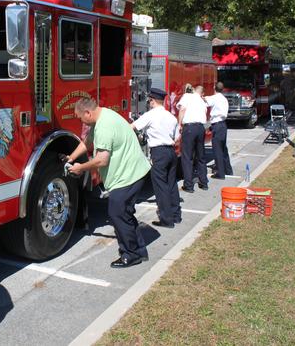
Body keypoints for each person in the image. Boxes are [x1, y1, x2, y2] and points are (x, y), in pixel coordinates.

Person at [66, 98, 151, 268]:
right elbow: (88, 142)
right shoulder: (103, 116)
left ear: (88, 113)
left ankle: (131, 254)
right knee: (124, 213)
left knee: (117, 213)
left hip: (129, 176)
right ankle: (139, 250)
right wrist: (71, 158)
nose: (80, 121)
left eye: (80, 117)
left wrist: (80, 168)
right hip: (133, 172)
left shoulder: (104, 126)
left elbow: (102, 160)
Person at [132, 88, 182, 228]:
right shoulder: (171, 116)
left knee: (161, 187)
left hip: (159, 152)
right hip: (171, 152)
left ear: (152, 100)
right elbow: (177, 137)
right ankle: (176, 215)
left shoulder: (150, 115)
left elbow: (134, 127)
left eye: (149, 101)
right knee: (171, 184)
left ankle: (166, 220)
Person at [177, 85, 209, 193]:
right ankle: (204, 183)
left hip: (189, 127)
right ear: (201, 93)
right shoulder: (201, 100)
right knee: (201, 156)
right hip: (200, 128)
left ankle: (188, 185)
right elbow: (205, 113)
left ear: (194, 90)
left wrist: (179, 124)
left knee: (187, 157)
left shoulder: (187, 96)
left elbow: (182, 109)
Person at [205, 82, 233, 179]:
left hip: (217, 125)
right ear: (223, 89)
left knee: (217, 150)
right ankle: (228, 170)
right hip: (223, 125)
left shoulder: (214, 98)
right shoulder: (224, 99)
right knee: (223, 148)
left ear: (214, 88)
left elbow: (204, 100)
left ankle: (220, 173)